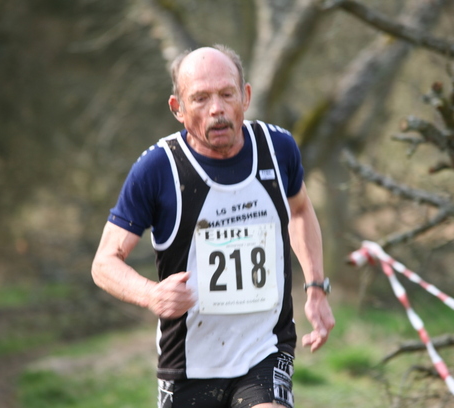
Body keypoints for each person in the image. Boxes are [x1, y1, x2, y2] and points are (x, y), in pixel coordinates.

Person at [91, 44, 335, 408]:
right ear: (178, 108)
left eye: (226, 94)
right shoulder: (158, 169)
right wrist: (151, 294)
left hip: (264, 349)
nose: (217, 109)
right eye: (201, 98)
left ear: (246, 96)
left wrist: (315, 287)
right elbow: (104, 263)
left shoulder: (278, 149)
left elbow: (299, 211)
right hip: (189, 364)